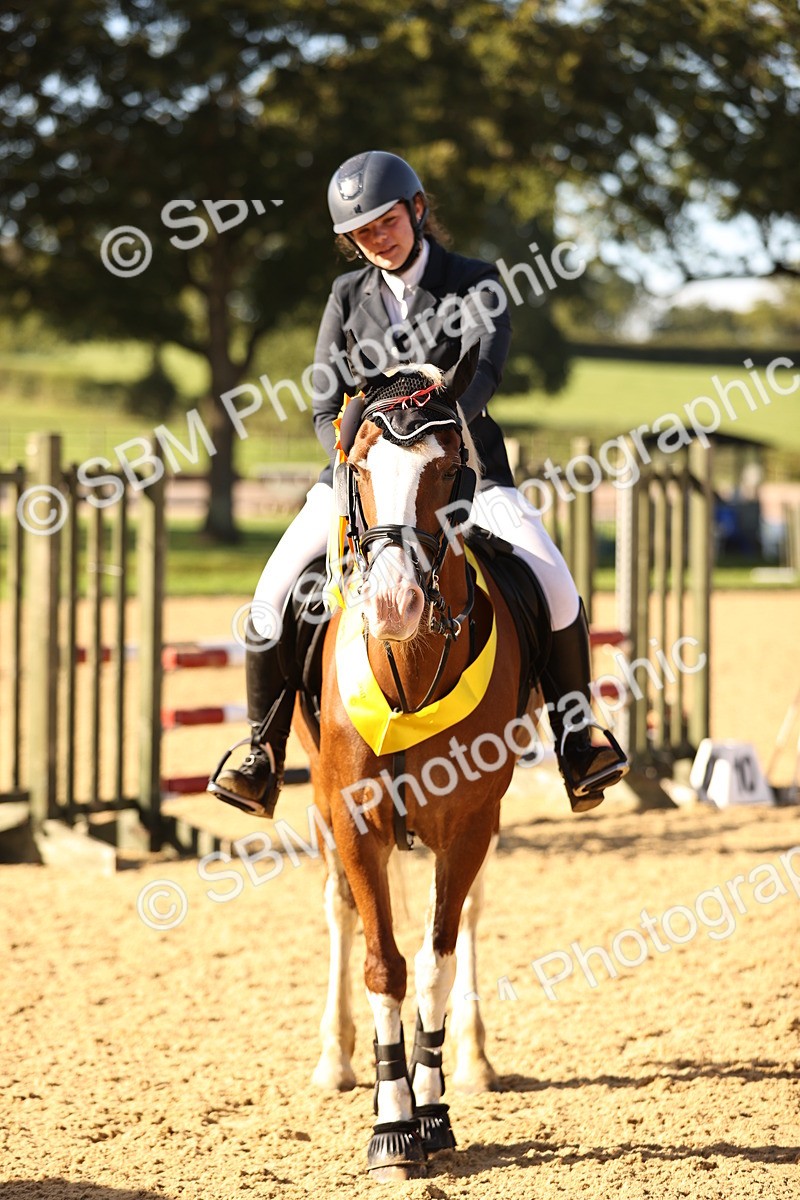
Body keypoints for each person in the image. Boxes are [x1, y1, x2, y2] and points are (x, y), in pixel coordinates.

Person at [208, 150, 628, 819]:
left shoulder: (475, 282)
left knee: (554, 583)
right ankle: (262, 751)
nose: (379, 237)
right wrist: (352, 452)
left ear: (417, 210)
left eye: (387, 220)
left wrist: (423, 427)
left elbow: (483, 375)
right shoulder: (347, 299)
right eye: (363, 231)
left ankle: (577, 740)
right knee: (272, 590)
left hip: (466, 473)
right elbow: (323, 407)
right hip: (365, 479)